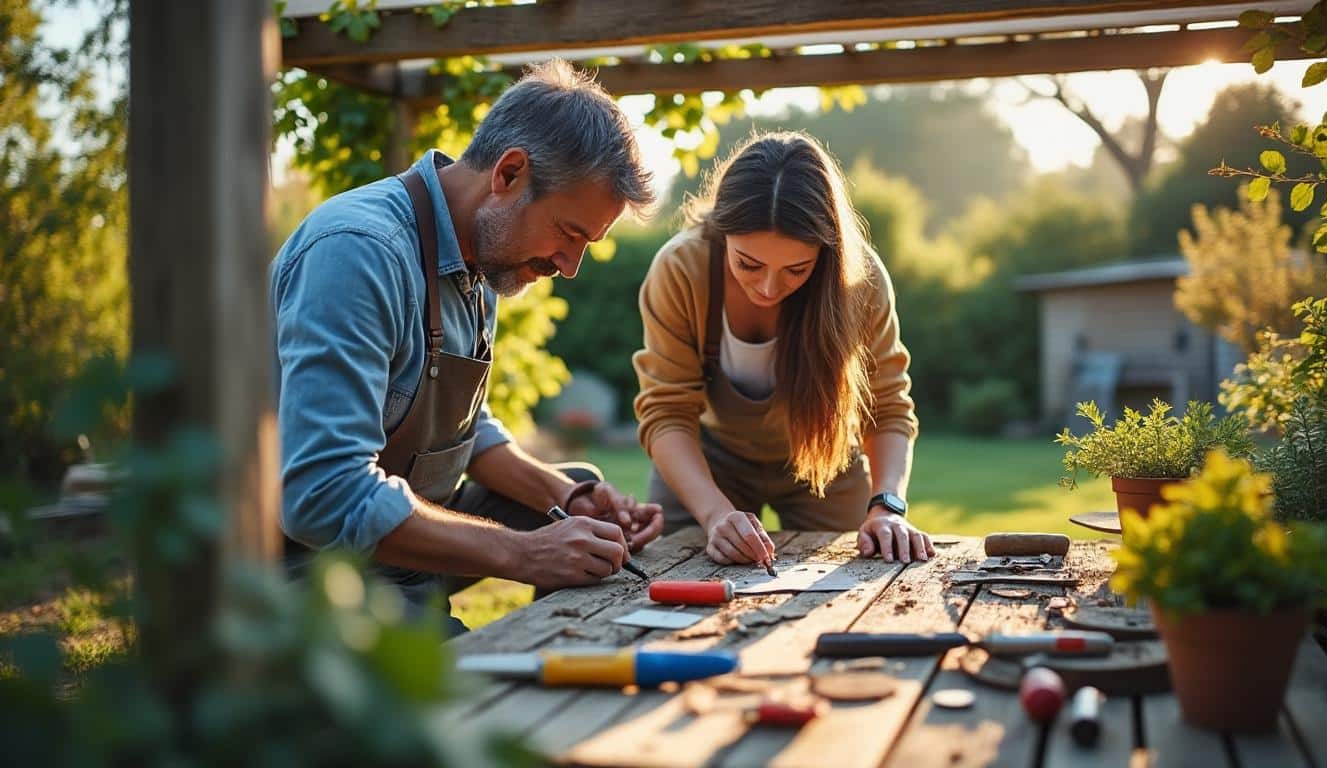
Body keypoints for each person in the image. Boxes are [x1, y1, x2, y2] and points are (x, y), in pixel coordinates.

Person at [271, 60, 663, 634]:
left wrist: (567, 496)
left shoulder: (481, 255)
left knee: (571, 492)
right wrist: (523, 553)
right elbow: (323, 494)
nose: (570, 266)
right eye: (570, 234)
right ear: (509, 174)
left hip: (400, 553)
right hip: (307, 563)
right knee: (472, 687)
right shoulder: (358, 252)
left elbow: (461, 426)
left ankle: (576, 635)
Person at [633, 131, 934, 568]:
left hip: (824, 456)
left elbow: (888, 408)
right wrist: (717, 514)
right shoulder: (681, 268)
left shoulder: (861, 277)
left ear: (826, 252)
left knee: (863, 575)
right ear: (723, 233)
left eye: (797, 269)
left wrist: (887, 507)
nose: (769, 287)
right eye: (748, 264)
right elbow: (665, 412)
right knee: (675, 572)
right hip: (709, 461)